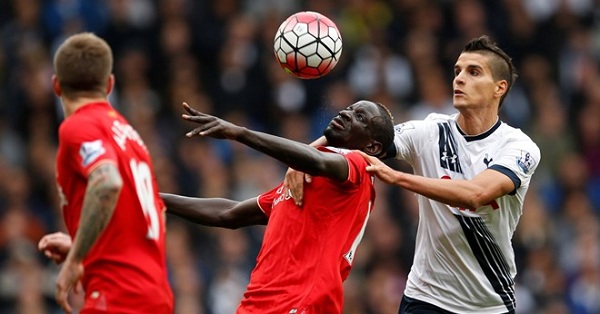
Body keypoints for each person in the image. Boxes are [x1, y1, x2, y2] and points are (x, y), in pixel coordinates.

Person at [287, 35, 541, 314]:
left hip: (489, 304)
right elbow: (361, 136)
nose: (459, 79)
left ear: (499, 88)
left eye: (473, 72)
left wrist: (398, 178)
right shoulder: (430, 131)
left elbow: (476, 194)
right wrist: (303, 158)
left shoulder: (519, 147)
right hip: (426, 298)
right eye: (457, 71)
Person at [161, 100, 394, 313]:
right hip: (258, 303)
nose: (346, 113)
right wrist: (156, 199)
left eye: (360, 117)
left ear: (371, 147)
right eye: (350, 108)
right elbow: (228, 214)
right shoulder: (302, 180)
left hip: (303, 302)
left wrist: (239, 133)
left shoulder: (359, 167)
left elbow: (316, 160)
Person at [37, 33, 173, 314]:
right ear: (110, 84)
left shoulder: (78, 126)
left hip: (117, 297)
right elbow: (153, 216)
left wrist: (75, 258)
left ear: (56, 85)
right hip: (155, 296)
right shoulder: (130, 136)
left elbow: (107, 182)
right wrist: (84, 247)